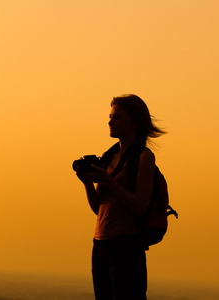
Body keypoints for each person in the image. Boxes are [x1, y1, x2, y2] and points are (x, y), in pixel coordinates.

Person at [76, 94, 165, 300]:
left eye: (117, 117)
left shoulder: (144, 157)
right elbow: (99, 208)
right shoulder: (108, 156)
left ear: (135, 122)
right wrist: (88, 183)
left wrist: (108, 180)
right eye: (110, 116)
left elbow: (140, 206)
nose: (110, 122)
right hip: (100, 245)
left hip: (126, 245)